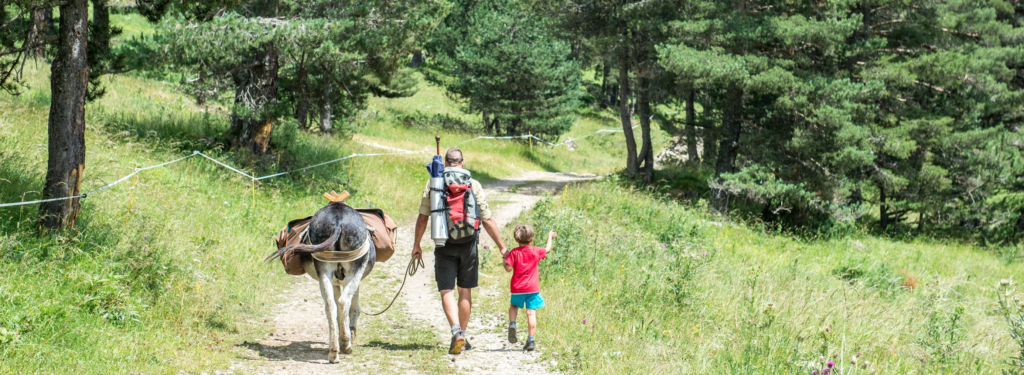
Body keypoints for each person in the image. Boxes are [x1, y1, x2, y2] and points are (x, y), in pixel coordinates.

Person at [412, 148, 508, 355]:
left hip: (444, 243)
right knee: (465, 290)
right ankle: (463, 332)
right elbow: (487, 219)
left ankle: (456, 331)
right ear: (462, 163)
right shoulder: (473, 184)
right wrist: (502, 246)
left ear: (445, 163)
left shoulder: (434, 183)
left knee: (446, 289)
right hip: (469, 244)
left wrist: (416, 245)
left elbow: (423, 217)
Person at [503, 224, 555, 351]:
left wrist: (505, 258)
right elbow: (547, 249)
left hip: (517, 288)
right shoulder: (536, 251)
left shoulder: (514, 252)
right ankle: (531, 341)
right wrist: (550, 236)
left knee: (514, 306)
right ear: (531, 239)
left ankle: (512, 324)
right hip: (532, 289)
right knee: (531, 313)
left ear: (516, 239)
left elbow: (508, 268)